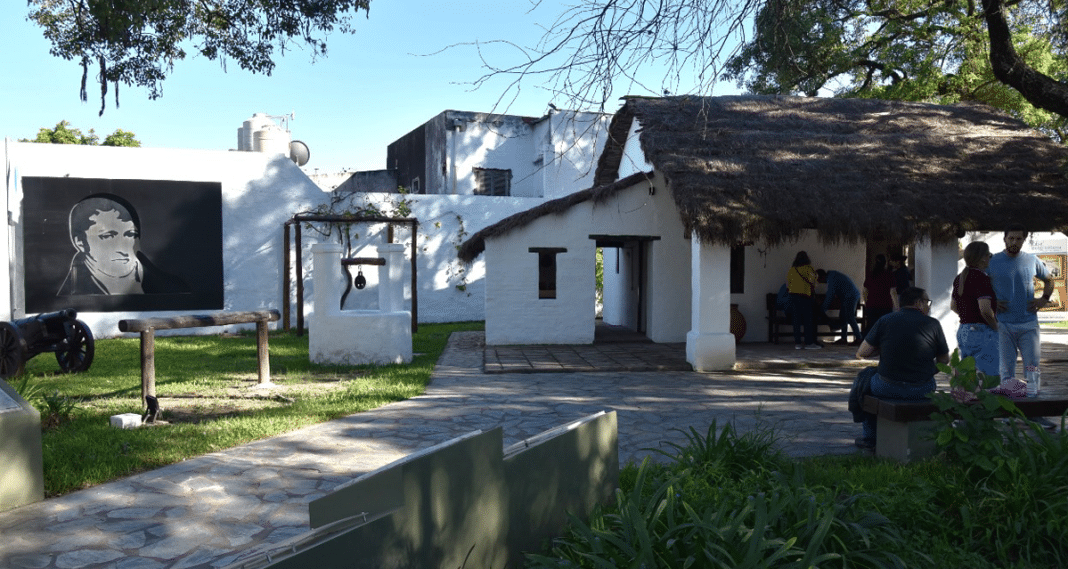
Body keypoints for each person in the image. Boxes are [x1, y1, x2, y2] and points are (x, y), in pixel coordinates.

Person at [854, 287, 950, 449]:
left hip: (887, 387)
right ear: (918, 303)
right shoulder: (933, 324)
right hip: (922, 388)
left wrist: (881, 347)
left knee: (865, 380)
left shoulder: (886, 320)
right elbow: (944, 359)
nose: (928, 306)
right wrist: (927, 372)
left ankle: (870, 438)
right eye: (927, 302)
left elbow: (862, 352)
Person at [58, 193, 189, 296]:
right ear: (80, 243)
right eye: (108, 236)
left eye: (130, 234)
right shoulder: (69, 293)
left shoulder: (173, 287)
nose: (122, 246)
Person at [987, 224, 1053, 387]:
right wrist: (992, 301)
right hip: (1003, 324)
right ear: (1005, 239)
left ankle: (1034, 401)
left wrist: (1044, 298)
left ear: (1024, 240)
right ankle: (1007, 405)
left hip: (1028, 323)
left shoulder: (1032, 260)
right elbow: (979, 287)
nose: (1014, 242)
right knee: (1006, 369)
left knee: (1032, 368)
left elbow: (1049, 279)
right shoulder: (992, 261)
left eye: (1018, 238)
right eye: (1011, 238)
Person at [951, 241, 999, 379]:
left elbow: (953, 306)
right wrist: (996, 327)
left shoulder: (960, 278)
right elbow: (984, 309)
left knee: (967, 377)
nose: (990, 258)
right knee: (987, 378)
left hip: (964, 329)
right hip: (982, 332)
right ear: (983, 257)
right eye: (989, 255)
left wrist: (968, 316)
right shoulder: (981, 278)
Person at [786, 251, 821, 350]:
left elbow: (788, 285)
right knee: (807, 321)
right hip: (805, 297)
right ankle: (809, 343)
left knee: (796, 321)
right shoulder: (809, 269)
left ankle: (797, 343)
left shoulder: (792, 270)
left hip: (793, 297)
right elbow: (814, 281)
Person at [817, 269, 862, 344]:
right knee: (843, 317)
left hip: (851, 295)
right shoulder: (832, 276)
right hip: (848, 296)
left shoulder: (831, 279)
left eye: (819, 280)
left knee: (850, 317)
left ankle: (859, 338)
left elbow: (829, 296)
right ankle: (843, 339)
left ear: (822, 277)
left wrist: (822, 310)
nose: (819, 282)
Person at [862, 254, 894, 336]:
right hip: (885, 305)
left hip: (872, 305)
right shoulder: (889, 275)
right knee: (885, 327)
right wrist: (896, 306)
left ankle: (868, 345)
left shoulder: (871, 275)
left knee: (872, 326)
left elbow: (865, 291)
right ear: (885, 263)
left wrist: (867, 303)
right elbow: (892, 292)